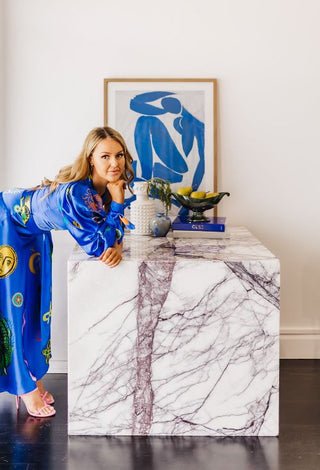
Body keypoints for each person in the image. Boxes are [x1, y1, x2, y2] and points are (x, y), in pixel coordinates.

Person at [0, 126, 134, 418]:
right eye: (106, 156)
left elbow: (114, 236)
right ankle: (23, 387)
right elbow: (98, 247)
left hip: (32, 232)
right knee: (12, 310)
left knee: (35, 308)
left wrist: (118, 243)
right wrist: (119, 203)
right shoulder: (78, 193)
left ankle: (30, 377)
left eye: (120, 155)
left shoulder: (101, 191)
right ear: (90, 159)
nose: (115, 163)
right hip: (8, 223)